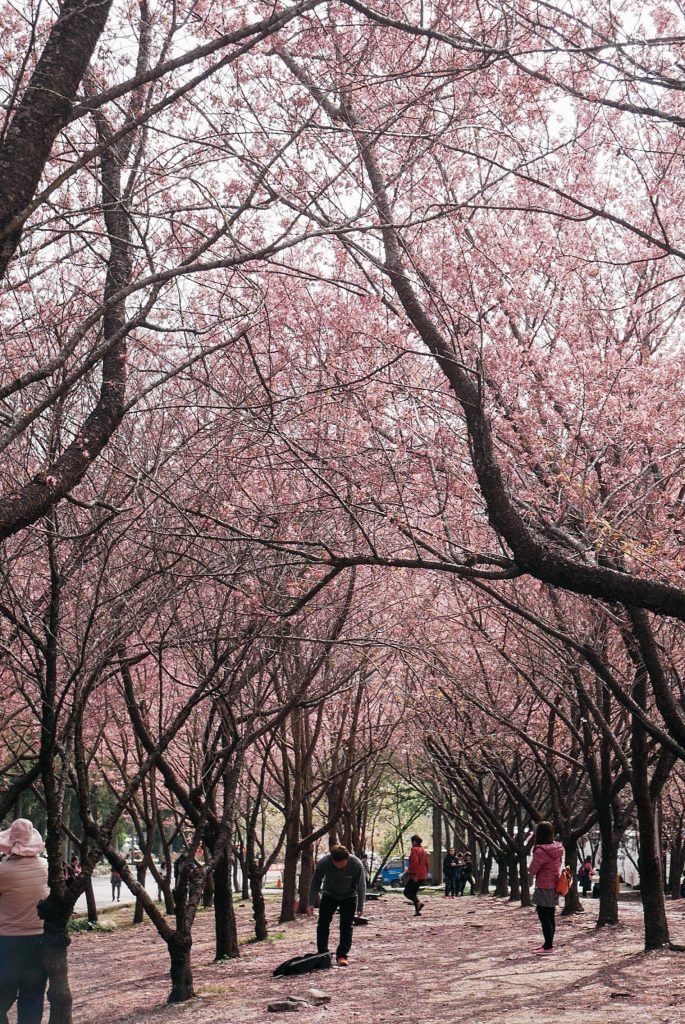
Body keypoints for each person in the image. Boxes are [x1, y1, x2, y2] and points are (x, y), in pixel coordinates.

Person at [0, 818, 49, 1024]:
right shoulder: (46, 867)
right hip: (39, 940)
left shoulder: (2, 871)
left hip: (7, 942)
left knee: (2, 996)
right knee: (32, 997)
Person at [307, 844, 366, 967]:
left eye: (342, 863)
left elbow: (361, 886)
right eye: (336, 863)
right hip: (329, 895)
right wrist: (311, 903)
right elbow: (315, 882)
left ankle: (342, 955)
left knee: (346, 926)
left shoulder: (356, 864)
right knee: (323, 923)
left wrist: (360, 906)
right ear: (332, 860)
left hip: (349, 896)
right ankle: (323, 953)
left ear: (347, 859)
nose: (339, 866)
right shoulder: (324, 862)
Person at [528, 821, 563, 955]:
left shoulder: (540, 851)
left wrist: (529, 869)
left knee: (544, 917)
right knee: (550, 916)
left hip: (543, 886)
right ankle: (548, 944)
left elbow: (533, 870)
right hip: (554, 885)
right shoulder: (557, 848)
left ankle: (548, 946)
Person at [404, 835, 429, 917]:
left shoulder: (414, 850)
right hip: (422, 875)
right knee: (413, 893)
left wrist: (413, 873)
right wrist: (425, 874)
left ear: (414, 842)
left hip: (415, 875)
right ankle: (417, 911)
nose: (411, 843)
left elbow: (414, 863)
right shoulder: (423, 850)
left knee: (407, 892)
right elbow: (427, 864)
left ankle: (418, 903)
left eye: (412, 841)